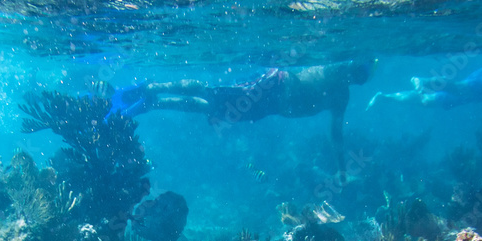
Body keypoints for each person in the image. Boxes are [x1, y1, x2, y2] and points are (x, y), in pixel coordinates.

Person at [108, 60, 375, 177]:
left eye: (358, 75)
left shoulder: (342, 94)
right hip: (269, 87)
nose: (352, 75)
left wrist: (341, 167)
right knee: (211, 94)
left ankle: (155, 102)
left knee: (212, 108)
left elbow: (336, 134)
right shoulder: (332, 69)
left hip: (267, 107)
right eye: (355, 70)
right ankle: (152, 88)